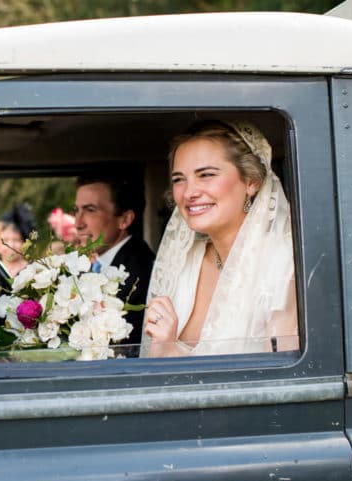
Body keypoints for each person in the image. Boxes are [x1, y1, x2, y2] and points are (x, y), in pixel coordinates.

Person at [144, 120, 298, 357]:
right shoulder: (183, 261)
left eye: (206, 175)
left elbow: (281, 384)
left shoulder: (283, 268)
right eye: (178, 179)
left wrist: (170, 353)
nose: (189, 192)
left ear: (251, 181)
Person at [73, 169, 154, 345]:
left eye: (90, 210)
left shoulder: (140, 273)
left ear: (124, 219)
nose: (78, 223)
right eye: (76, 210)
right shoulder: (97, 265)